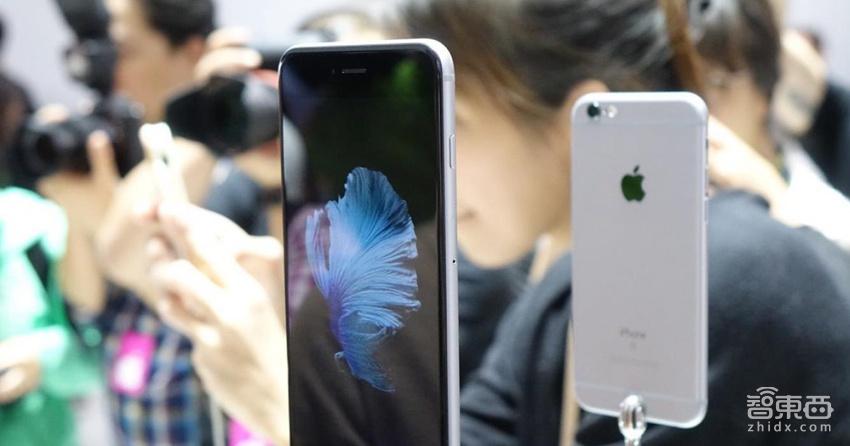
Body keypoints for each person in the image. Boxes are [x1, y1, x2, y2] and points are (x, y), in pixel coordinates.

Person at [401, 0, 850, 444]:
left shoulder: (727, 275)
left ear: (575, 120)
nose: (429, 160)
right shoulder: (562, 285)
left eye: (455, 120)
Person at [696, 0, 850, 250]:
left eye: (716, 84)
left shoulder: (825, 215)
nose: (701, 107)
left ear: (764, 90)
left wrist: (774, 199)